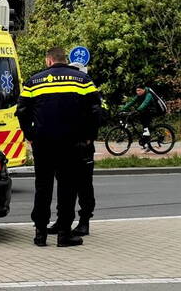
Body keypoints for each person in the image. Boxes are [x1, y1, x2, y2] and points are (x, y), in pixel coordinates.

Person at [16, 47, 102, 247]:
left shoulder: (34, 82)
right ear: (65, 59)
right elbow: (96, 110)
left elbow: (21, 111)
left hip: (43, 143)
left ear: (48, 61)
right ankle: (64, 234)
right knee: (67, 187)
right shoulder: (82, 81)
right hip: (72, 143)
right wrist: (89, 137)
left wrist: (30, 135)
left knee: (42, 187)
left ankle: (40, 234)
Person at [120, 84, 159, 151]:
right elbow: (131, 102)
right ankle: (146, 136)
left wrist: (137, 110)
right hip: (146, 110)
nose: (138, 92)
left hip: (153, 110)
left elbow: (145, 103)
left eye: (139, 90)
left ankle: (148, 138)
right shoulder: (139, 95)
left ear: (143, 90)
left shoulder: (149, 95)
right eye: (137, 90)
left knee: (145, 121)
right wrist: (122, 109)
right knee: (141, 120)